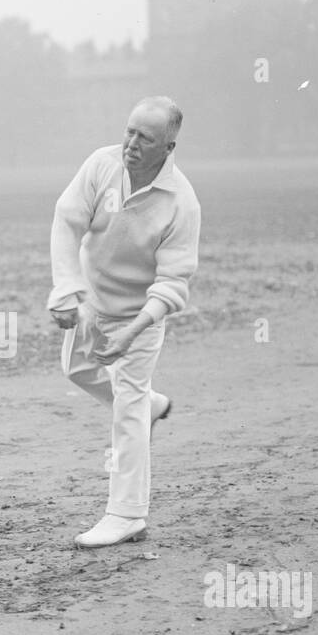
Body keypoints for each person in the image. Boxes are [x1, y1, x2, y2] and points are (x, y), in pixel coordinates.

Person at [48, 97, 201, 548]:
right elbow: (67, 220)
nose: (131, 144)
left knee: (127, 406)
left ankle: (127, 515)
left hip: (141, 317)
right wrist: (66, 291)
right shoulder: (101, 165)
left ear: (168, 148)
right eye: (129, 132)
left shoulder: (182, 204)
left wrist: (131, 335)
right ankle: (153, 405)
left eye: (145, 138)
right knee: (76, 370)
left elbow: (173, 286)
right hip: (91, 303)